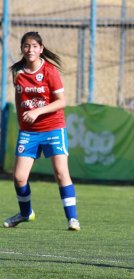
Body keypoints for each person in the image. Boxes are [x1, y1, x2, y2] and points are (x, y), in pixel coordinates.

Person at [3, 31, 80, 231]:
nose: (30, 50)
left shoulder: (50, 71)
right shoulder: (18, 72)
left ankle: (72, 219)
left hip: (53, 127)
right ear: (22, 49)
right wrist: (24, 123)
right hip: (29, 132)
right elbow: (21, 103)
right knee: (19, 177)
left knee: (61, 172)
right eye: (27, 46)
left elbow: (61, 102)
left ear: (41, 49)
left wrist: (37, 111)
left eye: (35, 46)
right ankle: (25, 213)